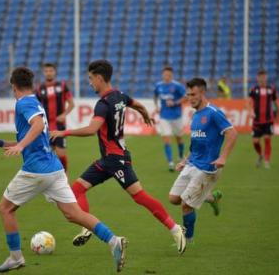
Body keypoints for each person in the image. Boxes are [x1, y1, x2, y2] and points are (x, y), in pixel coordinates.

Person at [0, 67, 127, 273]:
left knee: (5, 209)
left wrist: (20, 147)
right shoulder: (35, 102)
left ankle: (15, 257)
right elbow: (33, 134)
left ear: (13, 86)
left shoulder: (24, 103)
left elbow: (37, 125)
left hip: (36, 171)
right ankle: (114, 240)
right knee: (74, 214)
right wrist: (0, 143)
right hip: (54, 169)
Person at [50, 60, 186, 254]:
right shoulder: (120, 96)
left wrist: (64, 133)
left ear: (99, 77)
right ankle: (87, 225)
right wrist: (145, 114)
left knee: (140, 197)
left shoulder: (103, 104)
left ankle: (175, 228)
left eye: (90, 79)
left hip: (116, 160)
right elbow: (136, 104)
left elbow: (92, 129)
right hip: (108, 160)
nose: (90, 83)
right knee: (76, 189)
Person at [168, 78, 238, 243]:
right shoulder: (196, 115)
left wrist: (223, 157)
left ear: (202, 93)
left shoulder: (213, 112)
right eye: (188, 95)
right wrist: (185, 160)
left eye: (193, 94)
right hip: (193, 163)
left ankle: (187, 239)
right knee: (173, 199)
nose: (190, 98)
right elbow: (195, 144)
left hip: (208, 167)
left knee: (186, 205)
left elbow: (232, 133)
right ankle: (211, 198)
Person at [35, 63, 74, 174]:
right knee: (46, 157)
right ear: (43, 73)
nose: (48, 73)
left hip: (60, 127)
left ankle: (65, 178)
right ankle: (49, 180)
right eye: (46, 71)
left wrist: (64, 115)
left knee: (62, 155)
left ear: (55, 72)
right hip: (45, 128)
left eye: (51, 71)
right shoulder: (39, 89)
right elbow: (36, 107)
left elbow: (71, 104)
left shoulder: (62, 86)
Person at [246, 69, 279, 169]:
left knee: (267, 139)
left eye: (263, 77)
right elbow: (248, 103)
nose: (262, 79)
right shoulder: (253, 90)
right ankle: (260, 155)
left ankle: (267, 161)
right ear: (258, 78)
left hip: (268, 120)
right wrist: (250, 111)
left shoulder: (271, 89)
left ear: (266, 77)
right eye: (260, 77)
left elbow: (276, 103)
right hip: (256, 121)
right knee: (255, 142)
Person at [153, 66, 186, 172]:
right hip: (164, 116)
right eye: (165, 75)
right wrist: (156, 106)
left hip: (177, 116)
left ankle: (181, 157)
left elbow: (186, 97)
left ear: (172, 75)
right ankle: (170, 163)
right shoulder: (159, 85)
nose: (167, 77)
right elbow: (155, 96)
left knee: (179, 138)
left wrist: (175, 102)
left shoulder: (177, 86)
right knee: (166, 139)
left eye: (169, 75)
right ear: (163, 75)